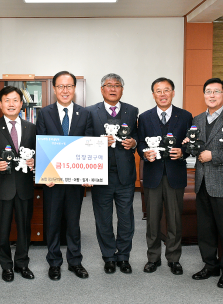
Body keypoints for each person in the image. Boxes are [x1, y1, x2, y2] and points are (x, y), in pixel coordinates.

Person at [184, 78, 223, 288]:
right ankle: (210, 265)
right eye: (208, 91)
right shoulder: (197, 119)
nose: (211, 95)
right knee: (206, 229)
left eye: (216, 92)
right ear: (204, 95)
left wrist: (213, 156)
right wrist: (187, 145)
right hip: (202, 182)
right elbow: (194, 145)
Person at [36, 71, 92, 281]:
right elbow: (40, 143)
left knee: (73, 222)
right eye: (61, 86)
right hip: (52, 180)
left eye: (69, 86)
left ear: (74, 89)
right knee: (52, 222)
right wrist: (44, 174)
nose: (65, 90)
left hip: (76, 180)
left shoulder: (84, 114)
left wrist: (87, 174)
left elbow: (88, 144)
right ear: (54, 89)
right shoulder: (44, 113)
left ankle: (75, 262)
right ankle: (54, 262)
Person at [137, 77, 192, 275]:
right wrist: (144, 152)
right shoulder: (144, 117)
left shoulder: (185, 116)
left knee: (175, 219)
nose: (162, 94)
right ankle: (153, 258)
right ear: (153, 95)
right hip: (153, 174)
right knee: (152, 219)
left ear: (173, 93)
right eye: (158, 91)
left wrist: (183, 152)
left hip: (175, 174)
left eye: (166, 90)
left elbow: (189, 142)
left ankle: (174, 258)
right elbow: (140, 143)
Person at [86, 73, 138, 274]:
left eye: (117, 85)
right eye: (109, 85)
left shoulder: (132, 111)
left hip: (125, 175)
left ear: (122, 89)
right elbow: (86, 140)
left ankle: (123, 257)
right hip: (101, 175)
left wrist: (133, 143)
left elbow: (137, 137)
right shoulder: (90, 112)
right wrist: (99, 143)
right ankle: (108, 257)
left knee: (126, 219)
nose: (113, 88)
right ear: (102, 89)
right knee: (103, 219)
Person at [0, 86, 36, 282]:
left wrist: (34, 161)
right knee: (2, 229)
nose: (11, 104)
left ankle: (22, 264)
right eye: (7, 100)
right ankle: (6, 266)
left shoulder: (31, 127)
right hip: (2, 187)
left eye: (15, 100)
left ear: (22, 104)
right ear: (0, 104)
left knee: (24, 228)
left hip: (24, 187)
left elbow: (37, 152)